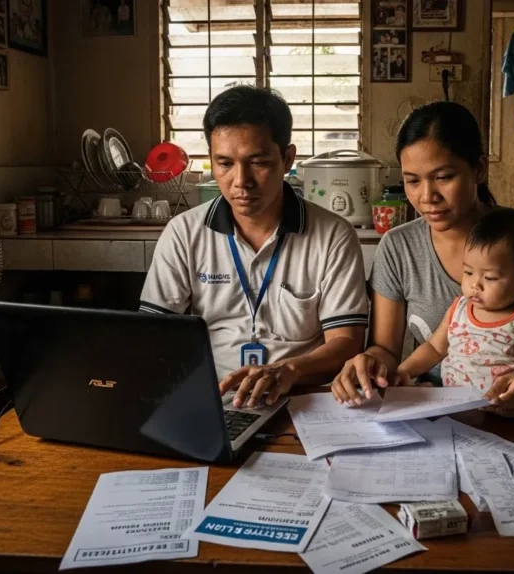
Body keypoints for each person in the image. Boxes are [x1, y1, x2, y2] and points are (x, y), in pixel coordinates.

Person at [330, 101, 514, 460]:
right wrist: (368, 363)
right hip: (432, 416)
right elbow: (387, 351)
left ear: (479, 169)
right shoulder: (399, 246)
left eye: (443, 177)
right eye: (412, 181)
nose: (427, 197)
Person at [141, 86, 368, 410]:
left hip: (303, 402)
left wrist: (288, 370)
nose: (240, 181)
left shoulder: (333, 236)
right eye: (224, 163)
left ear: (287, 158)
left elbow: (346, 344)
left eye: (257, 162)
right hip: (212, 400)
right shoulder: (184, 233)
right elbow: (154, 336)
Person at [390, 208, 514, 436]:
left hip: (510, 417)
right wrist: (404, 371)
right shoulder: (459, 309)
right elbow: (434, 347)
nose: (475, 285)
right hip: (454, 412)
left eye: (489, 277)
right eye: (468, 272)